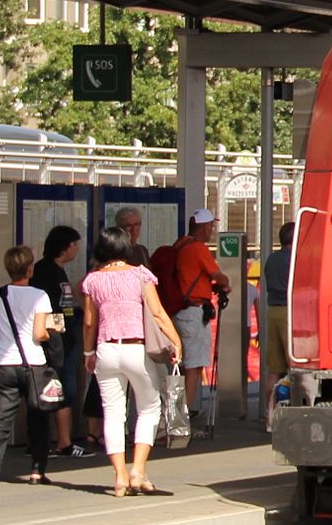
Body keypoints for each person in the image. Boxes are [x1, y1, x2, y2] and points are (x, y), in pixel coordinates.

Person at [79, 227, 182, 496]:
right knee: (149, 407)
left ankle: (120, 477)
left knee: (113, 412)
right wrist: (176, 340)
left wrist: (88, 354)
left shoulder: (92, 281)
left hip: (106, 350)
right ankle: (138, 469)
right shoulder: (141, 275)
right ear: (126, 247)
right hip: (137, 349)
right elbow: (157, 313)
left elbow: (89, 323)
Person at [0, 246, 56, 488]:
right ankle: (36, 471)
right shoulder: (39, 295)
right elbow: (39, 333)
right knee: (38, 417)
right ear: (30, 268)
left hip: (4, 363)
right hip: (33, 364)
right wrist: (54, 332)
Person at [153, 208, 231, 440]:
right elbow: (220, 277)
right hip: (193, 313)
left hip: (176, 311)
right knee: (194, 367)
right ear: (204, 227)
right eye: (211, 226)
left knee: (178, 367)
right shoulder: (198, 248)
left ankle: (170, 419)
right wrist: (222, 284)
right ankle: (180, 423)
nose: (212, 230)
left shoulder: (179, 245)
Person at [30, 226, 88, 458]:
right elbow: (47, 310)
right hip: (57, 342)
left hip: (64, 339)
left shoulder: (57, 270)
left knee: (62, 389)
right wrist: (61, 334)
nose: (77, 249)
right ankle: (62, 442)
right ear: (65, 247)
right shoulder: (46, 272)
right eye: (75, 244)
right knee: (61, 389)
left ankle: (51, 441)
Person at [260, 220, 294, 417]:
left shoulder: (271, 259)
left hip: (272, 310)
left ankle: (269, 411)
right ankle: (291, 412)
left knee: (274, 368)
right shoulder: (297, 258)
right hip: (290, 312)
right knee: (295, 366)